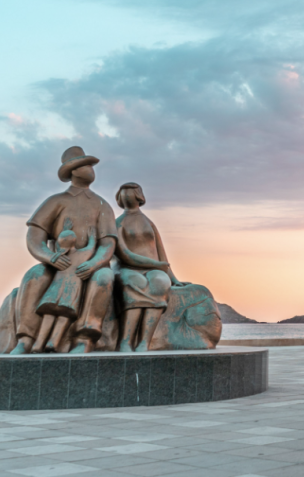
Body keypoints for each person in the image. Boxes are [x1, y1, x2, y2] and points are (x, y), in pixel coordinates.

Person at [11, 146, 118, 355]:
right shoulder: (56, 201)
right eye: (86, 165)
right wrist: (50, 257)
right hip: (60, 263)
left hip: (90, 265)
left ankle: (84, 338)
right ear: (74, 170)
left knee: (104, 277)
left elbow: (107, 244)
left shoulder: (102, 204)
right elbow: (35, 237)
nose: (91, 169)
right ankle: (26, 339)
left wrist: (94, 263)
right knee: (35, 275)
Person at [113, 182, 185, 352]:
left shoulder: (148, 222)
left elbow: (161, 252)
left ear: (139, 196)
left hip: (154, 269)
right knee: (135, 282)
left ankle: (144, 342)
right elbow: (123, 254)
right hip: (127, 268)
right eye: (124, 193)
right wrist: (155, 264)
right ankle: (125, 341)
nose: (127, 195)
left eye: (130, 192)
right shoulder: (118, 223)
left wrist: (172, 278)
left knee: (160, 282)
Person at [33, 222, 97, 352]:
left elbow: (54, 246)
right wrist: (92, 238)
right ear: (74, 242)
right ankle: (53, 343)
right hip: (70, 293)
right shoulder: (82, 254)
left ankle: (38, 344)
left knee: (48, 315)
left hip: (53, 292)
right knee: (64, 317)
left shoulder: (58, 256)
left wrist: (64, 231)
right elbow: (91, 248)